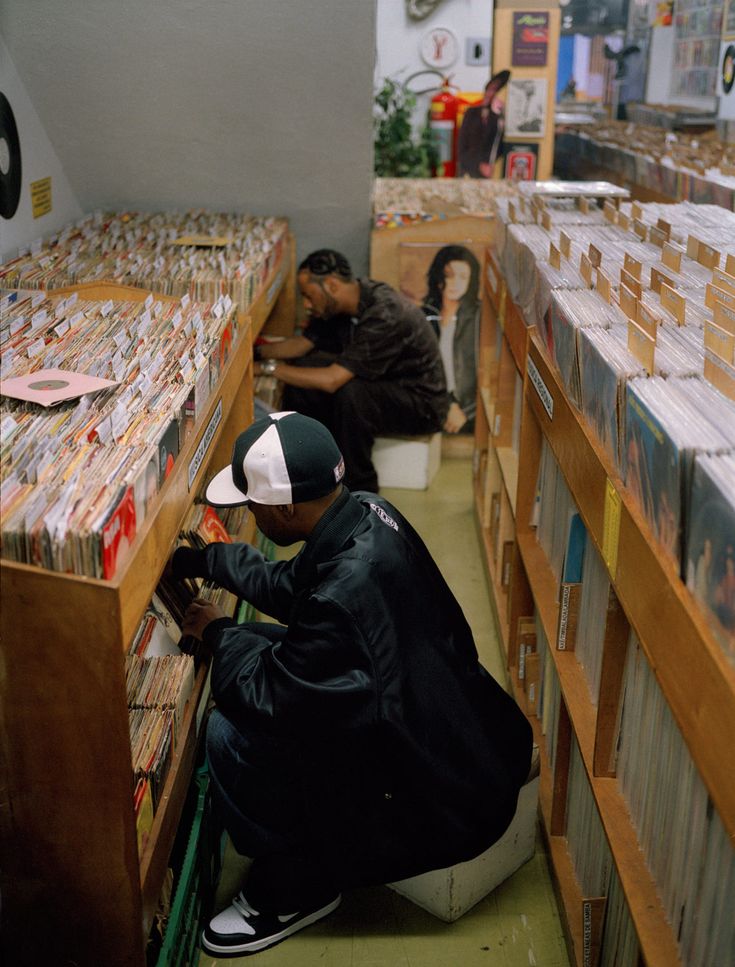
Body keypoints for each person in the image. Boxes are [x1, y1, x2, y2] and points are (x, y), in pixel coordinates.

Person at [171, 410, 534, 957]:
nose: (248, 510)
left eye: (252, 503)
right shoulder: (367, 512)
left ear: (287, 507)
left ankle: (296, 889)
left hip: (441, 800)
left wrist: (219, 632)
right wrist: (212, 561)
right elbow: (295, 587)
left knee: (232, 732)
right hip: (460, 730)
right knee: (267, 647)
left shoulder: (339, 600)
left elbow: (268, 690)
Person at [252, 249, 448, 492]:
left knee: (352, 393)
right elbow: (302, 345)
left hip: (422, 403)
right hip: (384, 383)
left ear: (332, 285)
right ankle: (312, 465)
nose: (305, 303)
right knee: (304, 371)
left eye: (308, 295)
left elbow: (333, 380)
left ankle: (360, 488)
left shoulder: (385, 313)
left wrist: (268, 369)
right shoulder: (340, 303)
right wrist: (255, 353)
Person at [422, 244, 480, 434]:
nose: (455, 283)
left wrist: (465, 413)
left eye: (463, 277)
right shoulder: (425, 314)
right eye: (449, 274)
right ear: (438, 276)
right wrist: (447, 404)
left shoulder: (480, 317)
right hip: (432, 403)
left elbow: (488, 373)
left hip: (468, 414)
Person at [457, 69, 510, 179]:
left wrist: (488, 162)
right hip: (468, 167)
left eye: (495, 90)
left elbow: (498, 144)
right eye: (490, 89)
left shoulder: (496, 116)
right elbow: (462, 144)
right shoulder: (471, 113)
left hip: (486, 168)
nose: (491, 93)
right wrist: (477, 164)